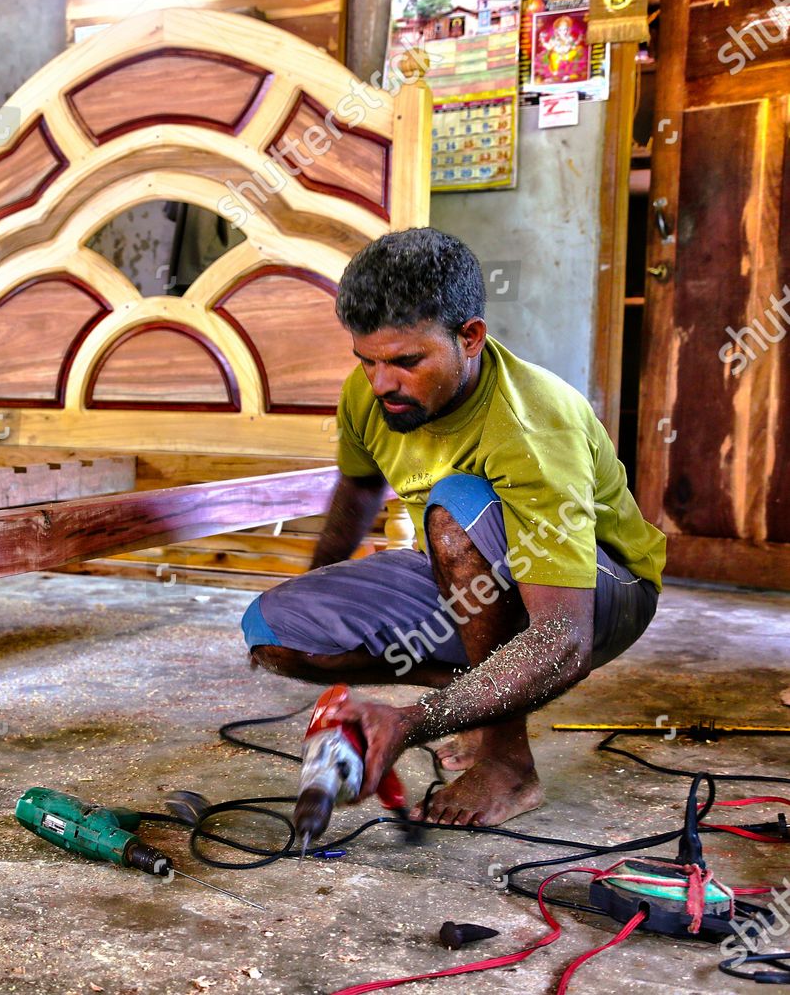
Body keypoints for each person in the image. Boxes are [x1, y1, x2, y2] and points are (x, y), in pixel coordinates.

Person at [241, 228, 664, 830]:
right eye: (367, 359)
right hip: (467, 570)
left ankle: (506, 761)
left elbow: (563, 637)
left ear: (470, 337)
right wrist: (325, 585)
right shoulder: (372, 395)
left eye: (407, 361)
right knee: (278, 632)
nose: (382, 382)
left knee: (454, 507)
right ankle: (480, 695)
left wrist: (410, 722)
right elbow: (360, 487)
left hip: (600, 594)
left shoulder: (532, 424)